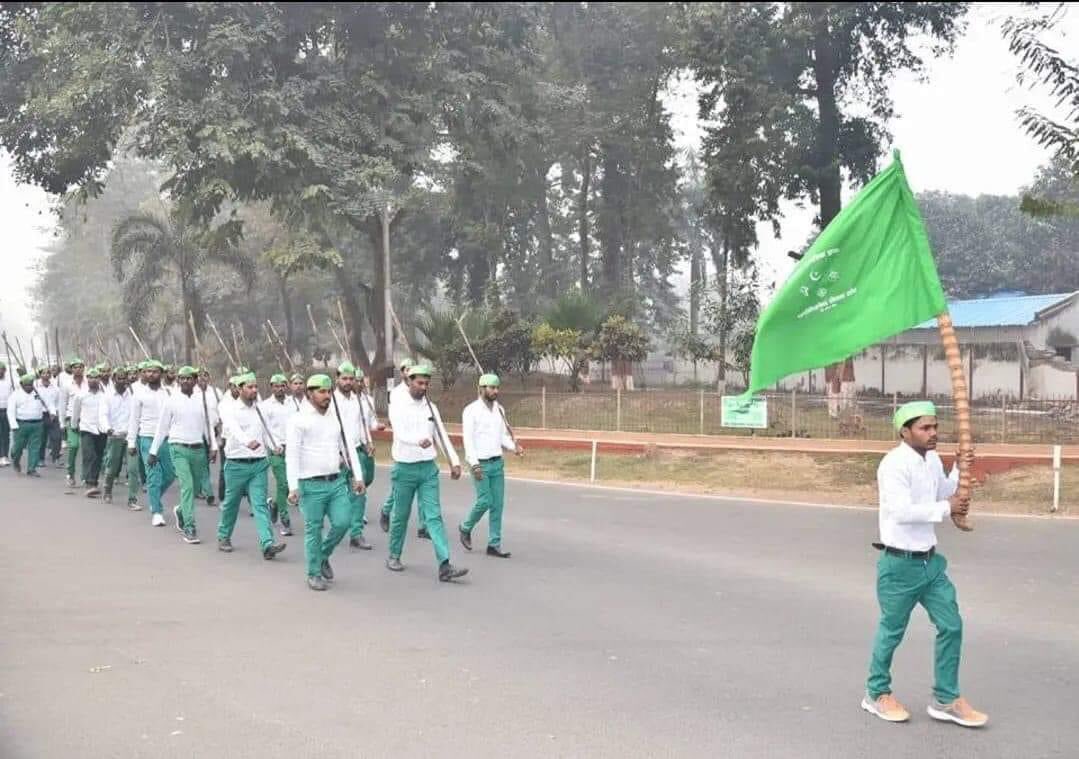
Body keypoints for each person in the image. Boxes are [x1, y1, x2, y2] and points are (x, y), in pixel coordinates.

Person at [861, 401, 987, 728]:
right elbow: (902, 512)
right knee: (892, 632)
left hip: (931, 564)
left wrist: (959, 468)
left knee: (952, 625)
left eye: (934, 427)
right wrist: (947, 507)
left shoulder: (930, 459)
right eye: (925, 428)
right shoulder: (893, 465)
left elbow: (943, 490)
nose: (933, 433)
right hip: (899, 565)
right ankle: (876, 693)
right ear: (905, 431)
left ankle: (946, 698)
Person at [385, 363, 468, 582]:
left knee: (433, 516)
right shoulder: (398, 404)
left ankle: (445, 564)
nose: (423, 387)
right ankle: (394, 555)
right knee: (401, 516)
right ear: (409, 381)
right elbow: (400, 432)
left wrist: (454, 460)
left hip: (428, 468)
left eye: (426, 384)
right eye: (419, 383)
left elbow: (440, 434)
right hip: (404, 467)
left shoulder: (431, 407)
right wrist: (416, 441)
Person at [285, 374, 366, 591]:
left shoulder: (334, 417)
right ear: (310, 393)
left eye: (329, 391)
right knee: (314, 529)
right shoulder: (298, 420)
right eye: (321, 392)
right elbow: (291, 455)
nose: (326, 396)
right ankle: (313, 573)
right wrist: (293, 486)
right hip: (310, 485)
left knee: (343, 522)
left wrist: (358, 476)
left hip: (336, 481)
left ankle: (322, 555)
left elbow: (348, 446)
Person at [217, 372, 286, 559]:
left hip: (259, 464)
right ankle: (224, 536)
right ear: (239, 389)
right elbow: (233, 428)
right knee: (231, 503)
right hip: (236, 464)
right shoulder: (230, 409)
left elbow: (267, 431)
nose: (254, 390)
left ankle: (267, 544)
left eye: (256, 386)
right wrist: (247, 441)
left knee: (260, 504)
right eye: (250, 387)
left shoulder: (260, 409)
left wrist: (275, 446)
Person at [459, 374, 524, 559]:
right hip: (480, 463)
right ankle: (465, 527)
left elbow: (502, 436)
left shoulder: (500, 410)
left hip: (497, 462)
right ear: (481, 388)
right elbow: (468, 440)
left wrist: (514, 447)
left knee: (497, 505)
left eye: (497, 387)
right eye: (491, 387)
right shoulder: (470, 411)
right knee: (484, 501)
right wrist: (474, 463)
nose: (496, 391)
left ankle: (494, 544)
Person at [150, 366, 218, 544]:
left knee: (195, 489)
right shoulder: (171, 401)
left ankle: (181, 510)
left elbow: (208, 425)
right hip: (178, 447)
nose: (186, 381)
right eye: (183, 378)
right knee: (187, 486)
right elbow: (162, 428)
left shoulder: (201, 400)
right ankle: (189, 526)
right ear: (178, 381)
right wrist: (153, 451)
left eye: (190, 378)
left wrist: (213, 446)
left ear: (195, 381)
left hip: (198, 448)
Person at [127, 359, 176, 527]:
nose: (151, 374)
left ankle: (153, 498)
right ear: (144, 374)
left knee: (171, 474)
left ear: (161, 374)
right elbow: (134, 419)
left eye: (155, 371)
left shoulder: (169, 393)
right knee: (154, 476)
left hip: (167, 439)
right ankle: (157, 511)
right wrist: (131, 442)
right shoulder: (138, 394)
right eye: (148, 371)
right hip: (147, 438)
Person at [333, 362, 374, 550]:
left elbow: (362, 425)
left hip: (357, 451)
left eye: (351, 379)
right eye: (344, 378)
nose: (348, 382)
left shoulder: (358, 400)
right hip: (337, 455)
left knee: (359, 493)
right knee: (337, 495)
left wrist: (367, 442)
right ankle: (338, 528)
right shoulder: (330, 400)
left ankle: (356, 534)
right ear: (337, 379)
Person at [379, 358, 418, 534]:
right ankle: (386, 510)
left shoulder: (420, 390)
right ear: (402, 373)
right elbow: (396, 418)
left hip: (421, 448)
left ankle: (424, 526)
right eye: (405, 369)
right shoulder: (396, 393)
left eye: (412, 369)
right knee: (399, 487)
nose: (408, 372)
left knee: (424, 489)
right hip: (403, 447)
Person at [258, 373, 294, 537]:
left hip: (292, 448)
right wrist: (272, 447)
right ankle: (285, 520)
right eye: (276, 386)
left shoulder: (292, 403)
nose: (280, 388)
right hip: (276, 450)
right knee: (283, 484)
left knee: (292, 484)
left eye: (282, 385)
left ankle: (274, 505)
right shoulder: (265, 406)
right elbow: (264, 430)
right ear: (272, 387)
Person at [103, 368, 140, 509]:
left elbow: (137, 415)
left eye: (125, 378)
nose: (123, 380)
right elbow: (103, 415)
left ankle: (132, 499)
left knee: (132, 468)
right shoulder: (107, 396)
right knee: (112, 466)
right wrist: (108, 428)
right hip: (115, 436)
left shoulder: (133, 395)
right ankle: (107, 489)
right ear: (114, 380)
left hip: (131, 437)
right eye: (119, 378)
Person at [7, 372, 55, 476]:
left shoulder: (37, 393)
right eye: (27, 385)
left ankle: (31, 468)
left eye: (31, 384)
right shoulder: (15, 395)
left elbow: (49, 402)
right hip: (21, 424)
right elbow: (10, 411)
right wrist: (13, 425)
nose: (29, 387)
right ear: (22, 384)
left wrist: (52, 412)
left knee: (35, 447)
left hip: (37, 424)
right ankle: (15, 460)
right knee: (18, 447)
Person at [71, 368, 109, 497]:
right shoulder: (81, 395)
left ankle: (94, 479)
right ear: (88, 379)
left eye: (96, 377)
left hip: (101, 430)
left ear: (99, 379)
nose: (93, 380)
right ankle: (89, 483)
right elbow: (75, 413)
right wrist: (74, 425)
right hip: (86, 428)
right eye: (91, 377)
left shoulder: (104, 395)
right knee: (89, 455)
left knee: (98, 456)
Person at [58, 357, 87, 488]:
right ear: (72, 369)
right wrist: (62, 423)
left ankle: (85, 476)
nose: (78, 369)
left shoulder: (89, 382)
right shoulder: (66, 384)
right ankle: (70, 474)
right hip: (71, 419)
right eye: (75, 367)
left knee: (87, 449)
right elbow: (62, 404)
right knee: (74, 446)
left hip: (87, 419)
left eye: (80, 367)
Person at [35, 368, 62, 467]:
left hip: (53, 415)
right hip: (40, 415)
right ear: (40, 374)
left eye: (48, 373)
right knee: (41, 439)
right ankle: (40, 459)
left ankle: (56, 458)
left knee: (57, 437)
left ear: (50, 375)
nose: (46, 375)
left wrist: (55, 413)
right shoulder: (35, 386)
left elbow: (58, 403)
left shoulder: (55, 388)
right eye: (43, 373)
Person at [0, 361, 13, 467]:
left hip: (6, 411)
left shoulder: (9, 382)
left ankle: (5, 456)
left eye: (2, 369)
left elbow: (13, 397)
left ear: (4, 371)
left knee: (5, 434)